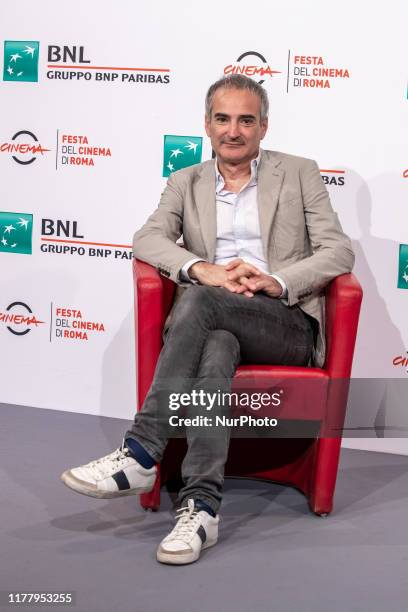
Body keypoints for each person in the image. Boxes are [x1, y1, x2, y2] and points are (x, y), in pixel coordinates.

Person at [61, 74, 354, 565]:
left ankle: (141, 451)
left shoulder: (299, 173)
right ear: (207, 125)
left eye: (245, 120)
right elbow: (146, 239)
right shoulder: (186, 181)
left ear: (263, 128)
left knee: (197, 302)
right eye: (222, 119)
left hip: (281, 322)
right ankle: (201, 507)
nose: (233, 131)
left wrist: (273, 280)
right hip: (216, 317)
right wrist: (202, 269)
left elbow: (337, 250)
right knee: (214, 339)